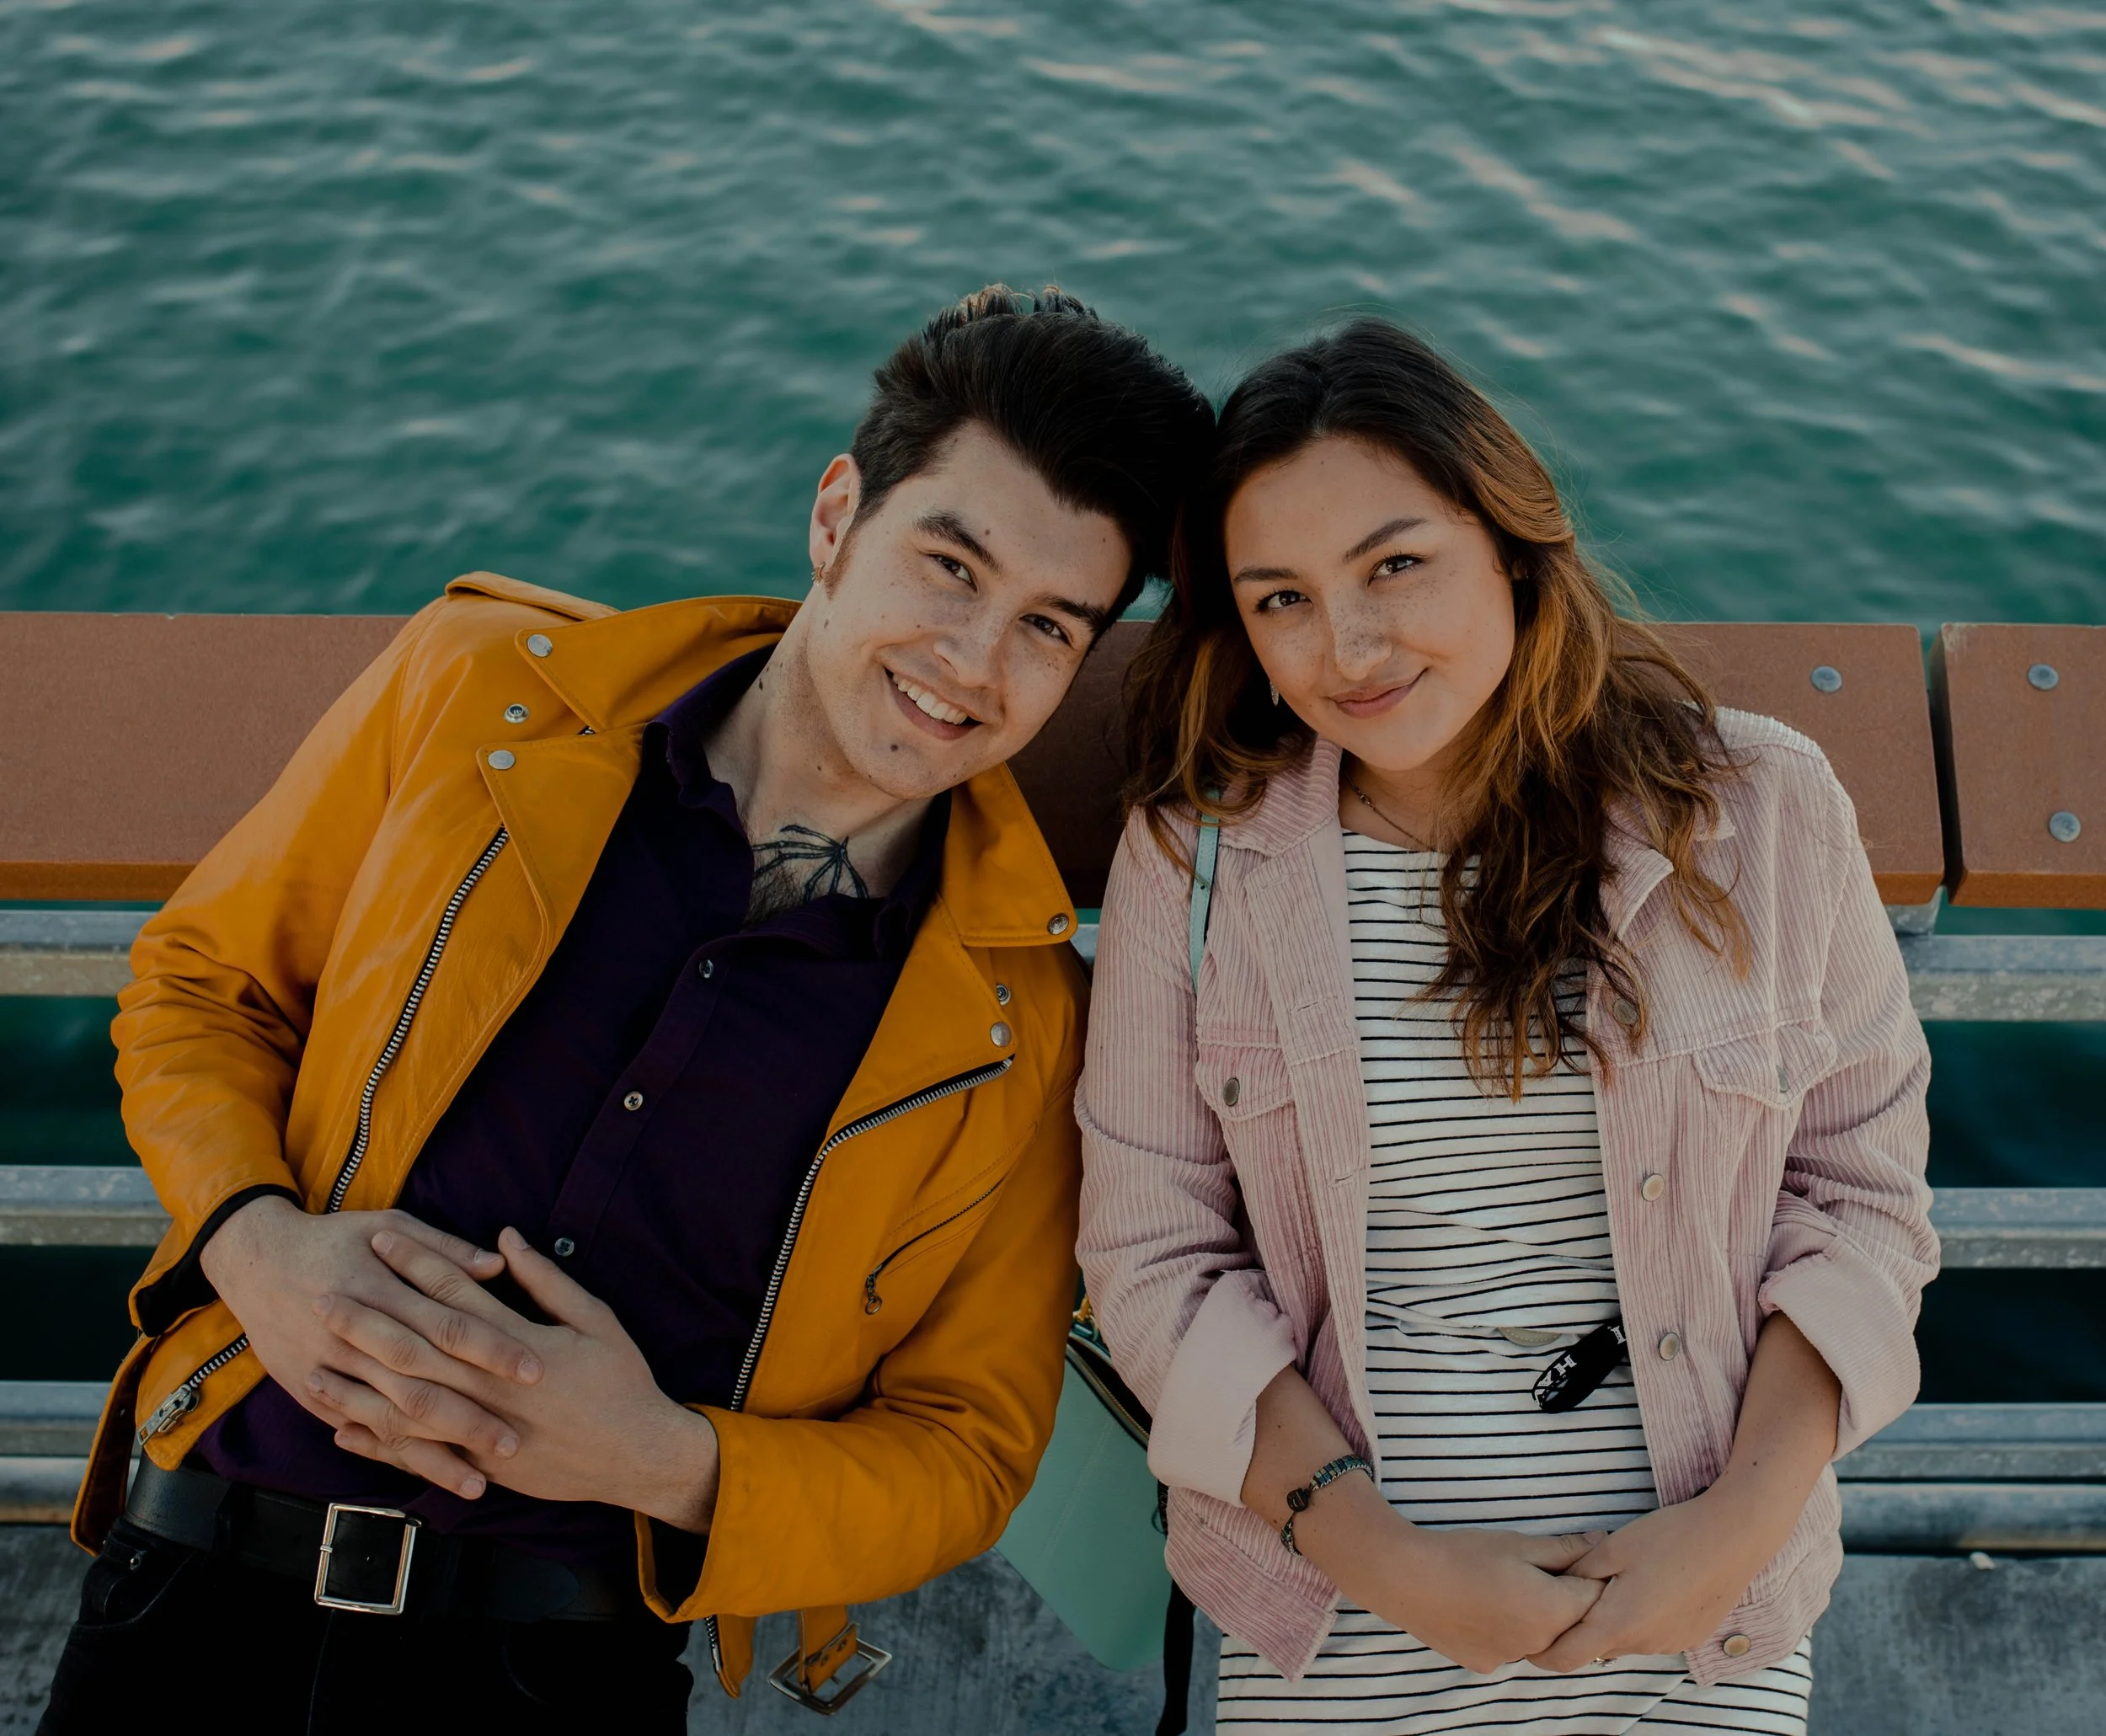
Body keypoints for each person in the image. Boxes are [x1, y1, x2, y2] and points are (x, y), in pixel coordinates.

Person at [43, 286, 1213, 1735]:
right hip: (201, 1563)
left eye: (1050, 626)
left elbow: (965, 1455)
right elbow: (199, 986)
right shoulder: (476, 696)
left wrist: (663, 1460)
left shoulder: (1028, 1026)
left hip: (562, 1669)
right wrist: (259, 1246)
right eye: (951, 567)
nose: (973, 663)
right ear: (838, 515)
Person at [1076, 318, 1936, 1734]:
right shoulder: (1198, 865)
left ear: (1511, 546)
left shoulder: (1763, 809)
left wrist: (1736, 1529)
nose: (1344, 647)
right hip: (1337, 1581)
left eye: (1395, 565)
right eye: (1279, 599)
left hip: (1697, 1580)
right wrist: (1397, 1566)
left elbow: (1861, 1200)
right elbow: (1154, 1256)